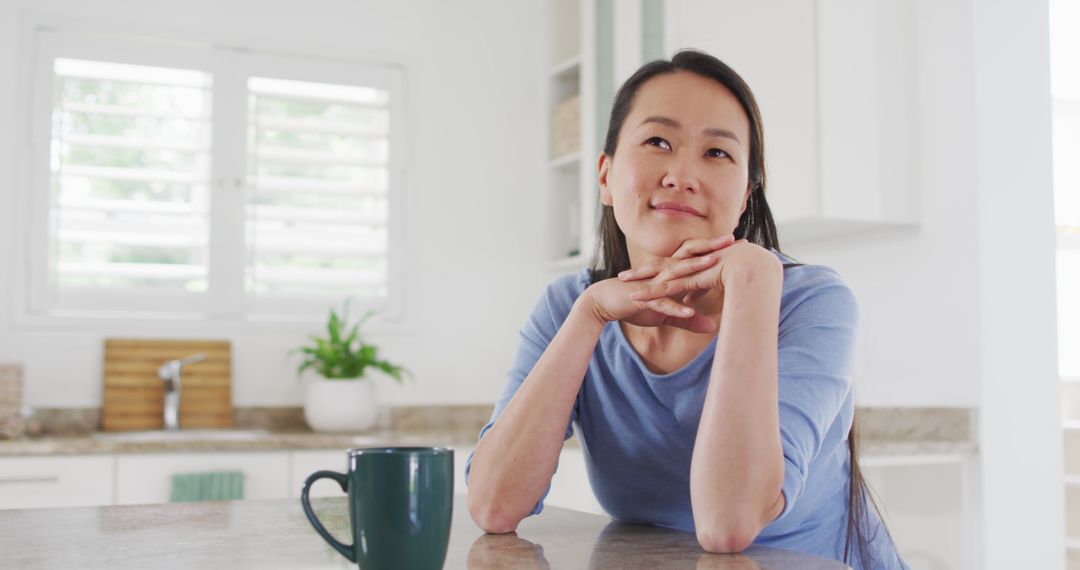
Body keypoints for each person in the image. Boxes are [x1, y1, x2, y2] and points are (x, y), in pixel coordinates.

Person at [465, 49, 908, 570]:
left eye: (717, 153)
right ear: (605, 176)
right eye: (658, 141)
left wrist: (752, 282)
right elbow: (495, 505)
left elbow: (728, 524)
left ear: (745, 196)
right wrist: (588, 317)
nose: (682, 175)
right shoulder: (571, 307)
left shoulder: (810, 302)